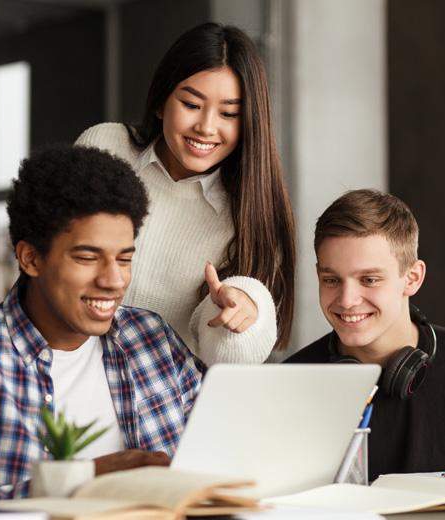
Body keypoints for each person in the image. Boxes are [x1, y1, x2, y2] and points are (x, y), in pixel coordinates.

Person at [0, 146, 205, 499]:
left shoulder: (152, 339)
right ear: (31, 258)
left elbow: (217, 459)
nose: (114, 280)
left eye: (124, 259)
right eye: (88, 258)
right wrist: (87, 477)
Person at [285, 189, 445, 480]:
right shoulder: (288, 382)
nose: (347, 300)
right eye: (331, 280)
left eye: (369, 279)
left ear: (412, 278)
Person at [76, 22, 296, 365]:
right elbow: (45, 262)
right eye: (192, 105)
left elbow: (226, 361)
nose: (206, 127)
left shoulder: (249, 214)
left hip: (159, 405)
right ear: (162, 102)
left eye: (228, 114)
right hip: (62, 378)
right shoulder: (105, 147)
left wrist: (242, 317)